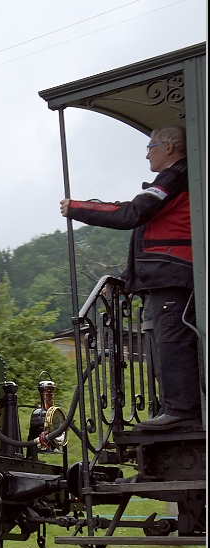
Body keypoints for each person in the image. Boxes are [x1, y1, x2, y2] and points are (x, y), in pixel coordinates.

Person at [60, 125, 201, 431]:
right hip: (167, 276)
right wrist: (128, 278)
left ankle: (181, 411)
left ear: (171, 147)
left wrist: (78, 208)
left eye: (151, 146)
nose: (147, 153)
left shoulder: (175, 177)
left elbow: (132, 214)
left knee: (172, 342)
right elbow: (154, 233)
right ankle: (174, 408)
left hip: (173, 276)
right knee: (165, 343)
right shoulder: (179, 178)